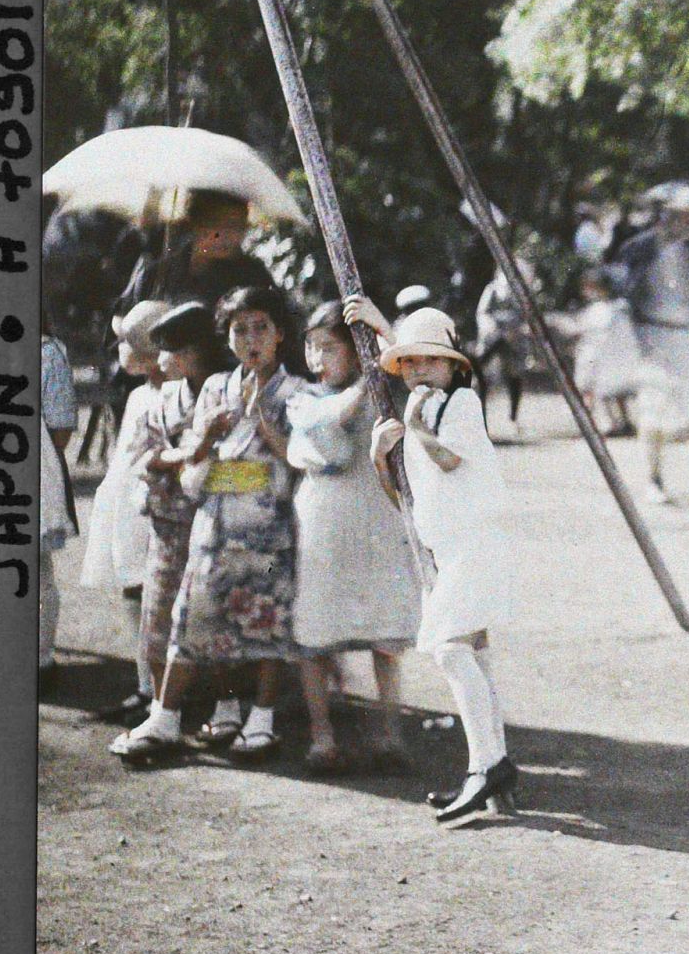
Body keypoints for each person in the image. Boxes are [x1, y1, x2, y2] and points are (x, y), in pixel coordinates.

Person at [113, 286, 305, 765]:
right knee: (191, 618)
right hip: (214, 524)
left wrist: (264, 426)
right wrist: (206, 441)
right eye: (240, 330)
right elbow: (191, 478)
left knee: (267, 622)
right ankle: (165, 716)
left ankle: (261, 719)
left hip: (270, 525)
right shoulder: (217, 388)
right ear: (227, 337)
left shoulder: (297, 393)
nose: (251, 340)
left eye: (261, 328)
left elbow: (299, 466)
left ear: (280, 334)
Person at [350, 298, 519, 826]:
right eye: (410, 363)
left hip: (476, 543)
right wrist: (381, 456)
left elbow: (447, 458)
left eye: (431, 360)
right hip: (445, 550)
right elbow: (405, 500)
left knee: (448, 647)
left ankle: (485, 766)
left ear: (453, 365)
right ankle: (493, 764)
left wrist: (416, 426)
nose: (420, 370)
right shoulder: (419, 410)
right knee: (473, 652)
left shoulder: (461, 403)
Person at [287, 303, 423, 774]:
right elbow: (335, 417)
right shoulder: (303, 398)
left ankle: (389, 733)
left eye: (329, 348)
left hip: (374, 514)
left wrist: (378, 352)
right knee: (317, 630)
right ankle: (322, 737)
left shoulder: (383, 394)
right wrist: (368, 378)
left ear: (354, 350)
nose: (318, 357)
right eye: (311, 347)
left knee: (384, 631)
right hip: (323, 518)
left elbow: (412, 365)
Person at [108, 303, 228, 751]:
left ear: (194, 352)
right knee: (158, 619)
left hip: (216, 521)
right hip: (167, 525)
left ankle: (226, 709)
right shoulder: (161, 400)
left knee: (215, 618)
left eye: (171, 349)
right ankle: (165, 713)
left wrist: (180, 458)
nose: (161, 359)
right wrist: (189, 454)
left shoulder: (226, 391)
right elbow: (144, 457)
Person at [81, 301, 173, 727]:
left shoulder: (173, 394)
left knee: (158, 599)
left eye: (128, 343)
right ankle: (145, 686)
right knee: (133, 592)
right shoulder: (138, 395)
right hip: (128, 509)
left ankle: (165, 694)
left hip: (155, 510)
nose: (120, 350)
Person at [120, 189, 277, 313]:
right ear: (195, 224)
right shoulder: (157, 274)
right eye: (217, 225)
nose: (228, 236)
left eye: (237, 227)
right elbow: (121, 320)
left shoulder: (253, 277)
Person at [40, 326, 80, 684]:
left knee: (35, 570)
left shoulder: (47, 353)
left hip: (28, 467)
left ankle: (39, 657)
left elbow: (61, 428)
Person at [568, 270, 648, 437]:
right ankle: (612, 423)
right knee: (602, 392)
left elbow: (585, 332)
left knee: (601, 392)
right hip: (603, 357)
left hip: (601, 357)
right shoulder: (613, 308)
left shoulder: (608, 309)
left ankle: (614, 423)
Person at [473, 266, 536, 431]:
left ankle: (513, 417)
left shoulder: (523, 292)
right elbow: (482, 313)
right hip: (493, 337)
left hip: (515, 338)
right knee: (481, 375)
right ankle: (479, 419)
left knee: (514, 375)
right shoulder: (493, 289)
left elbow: (528, 316)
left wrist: (519, 330)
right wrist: (492, 328)